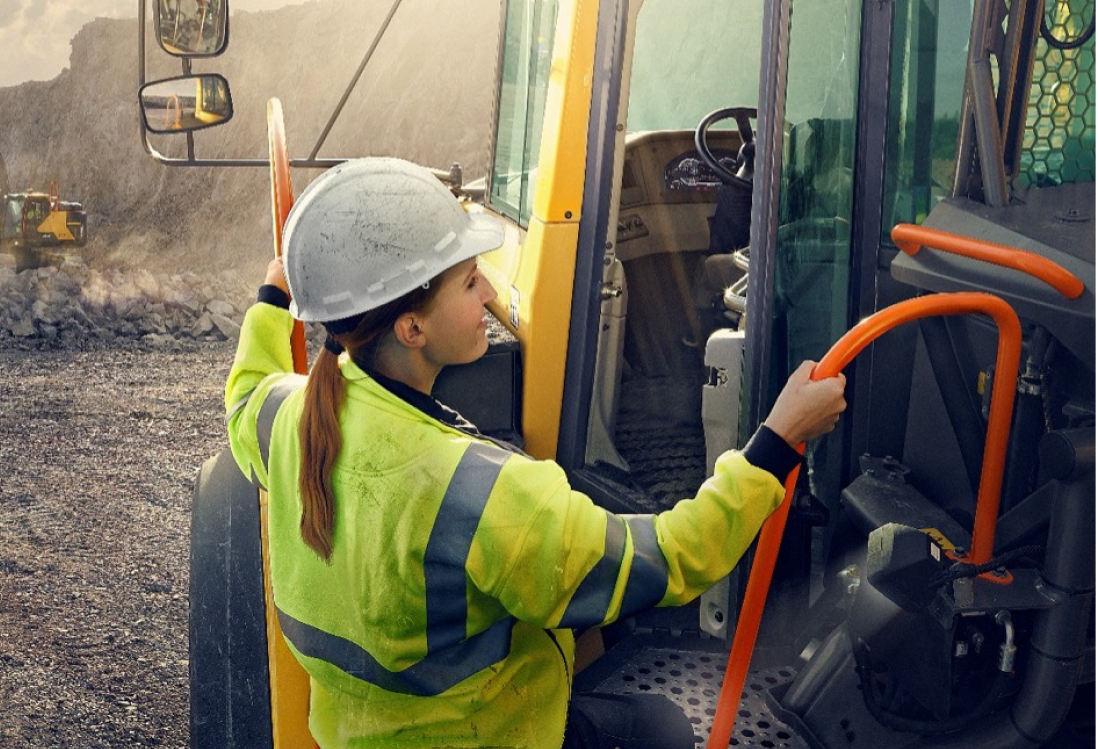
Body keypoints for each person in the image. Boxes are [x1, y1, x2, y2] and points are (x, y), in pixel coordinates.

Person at [225, 157, 847, 749]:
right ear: (412, 329)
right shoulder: (482, 494)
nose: (490, 290)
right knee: (662, 729)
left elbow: (245, 394)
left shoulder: (291, 416)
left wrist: (272, 299)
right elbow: (673, 558)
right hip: (490, 735)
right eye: (470, 283)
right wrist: (778, 442)